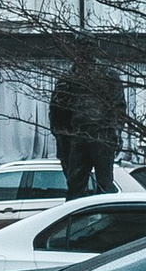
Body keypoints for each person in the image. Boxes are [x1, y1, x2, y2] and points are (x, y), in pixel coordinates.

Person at [48, 54, 125, 198]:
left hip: (101, 134)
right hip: (77, 134)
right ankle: (76, 216)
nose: (82, 51)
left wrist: (116, 131)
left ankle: (107, 215)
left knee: (105, 184)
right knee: (74, 183)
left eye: (85, 47)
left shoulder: (108, 75)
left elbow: (118, 106)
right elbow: (56, 110)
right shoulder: (68, 77)